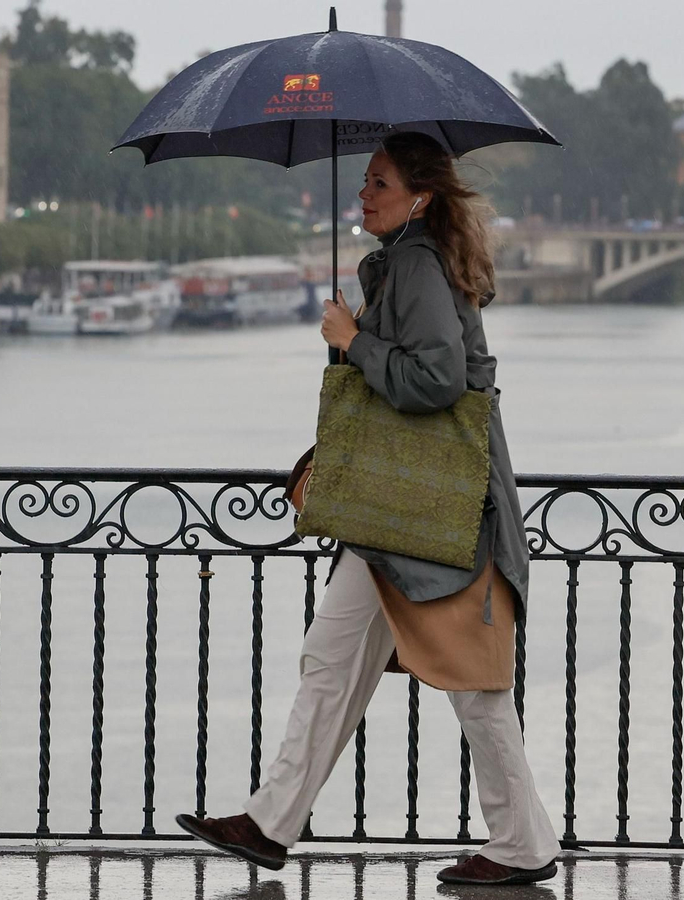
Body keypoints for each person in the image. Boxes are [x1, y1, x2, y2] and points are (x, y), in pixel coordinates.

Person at [175, 132, 560, 887]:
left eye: (377, 183)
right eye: (363, 183)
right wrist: (358, 336)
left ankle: (521, 844)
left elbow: (440, 381)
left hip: (434, 515)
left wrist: (353, 341)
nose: (363, 196)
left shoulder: (415, 264)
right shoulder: (407, 263)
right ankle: (270, 822)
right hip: (403, 517)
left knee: (473, 687)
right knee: (334, 660)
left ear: (418, 196)